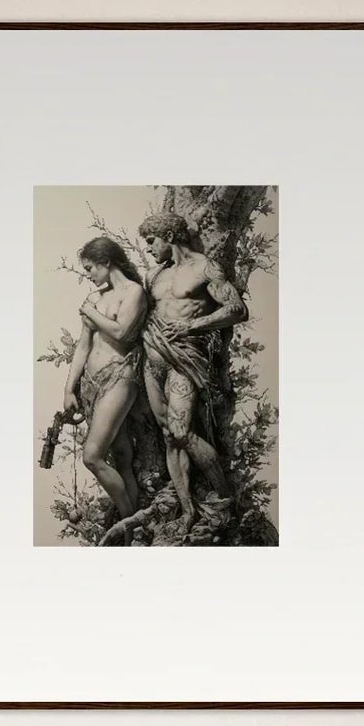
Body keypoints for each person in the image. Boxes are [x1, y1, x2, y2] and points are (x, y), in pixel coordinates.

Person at [138, 208, 247, 527]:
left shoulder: (204, 268)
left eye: (151, 240)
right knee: (170, 436)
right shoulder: (153, 275)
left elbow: (237, 309)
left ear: (168, 237)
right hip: (152, 360)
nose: (148, 248)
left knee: (183, 431)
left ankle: (227, 499)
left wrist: (192, 326)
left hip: (185, 361)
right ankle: (188, 510)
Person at [61, 236, 148, 524]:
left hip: (120, 377)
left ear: (106, 262)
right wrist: (69, 388)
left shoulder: (133, 292)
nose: (88, 275)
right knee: (121, 455)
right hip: (92, 384)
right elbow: (83, 346)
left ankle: (128, 519)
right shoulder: (96, 298)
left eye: (90, 268)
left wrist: (90, 312)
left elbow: (123, 333)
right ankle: (133, 531)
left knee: (92, 456)